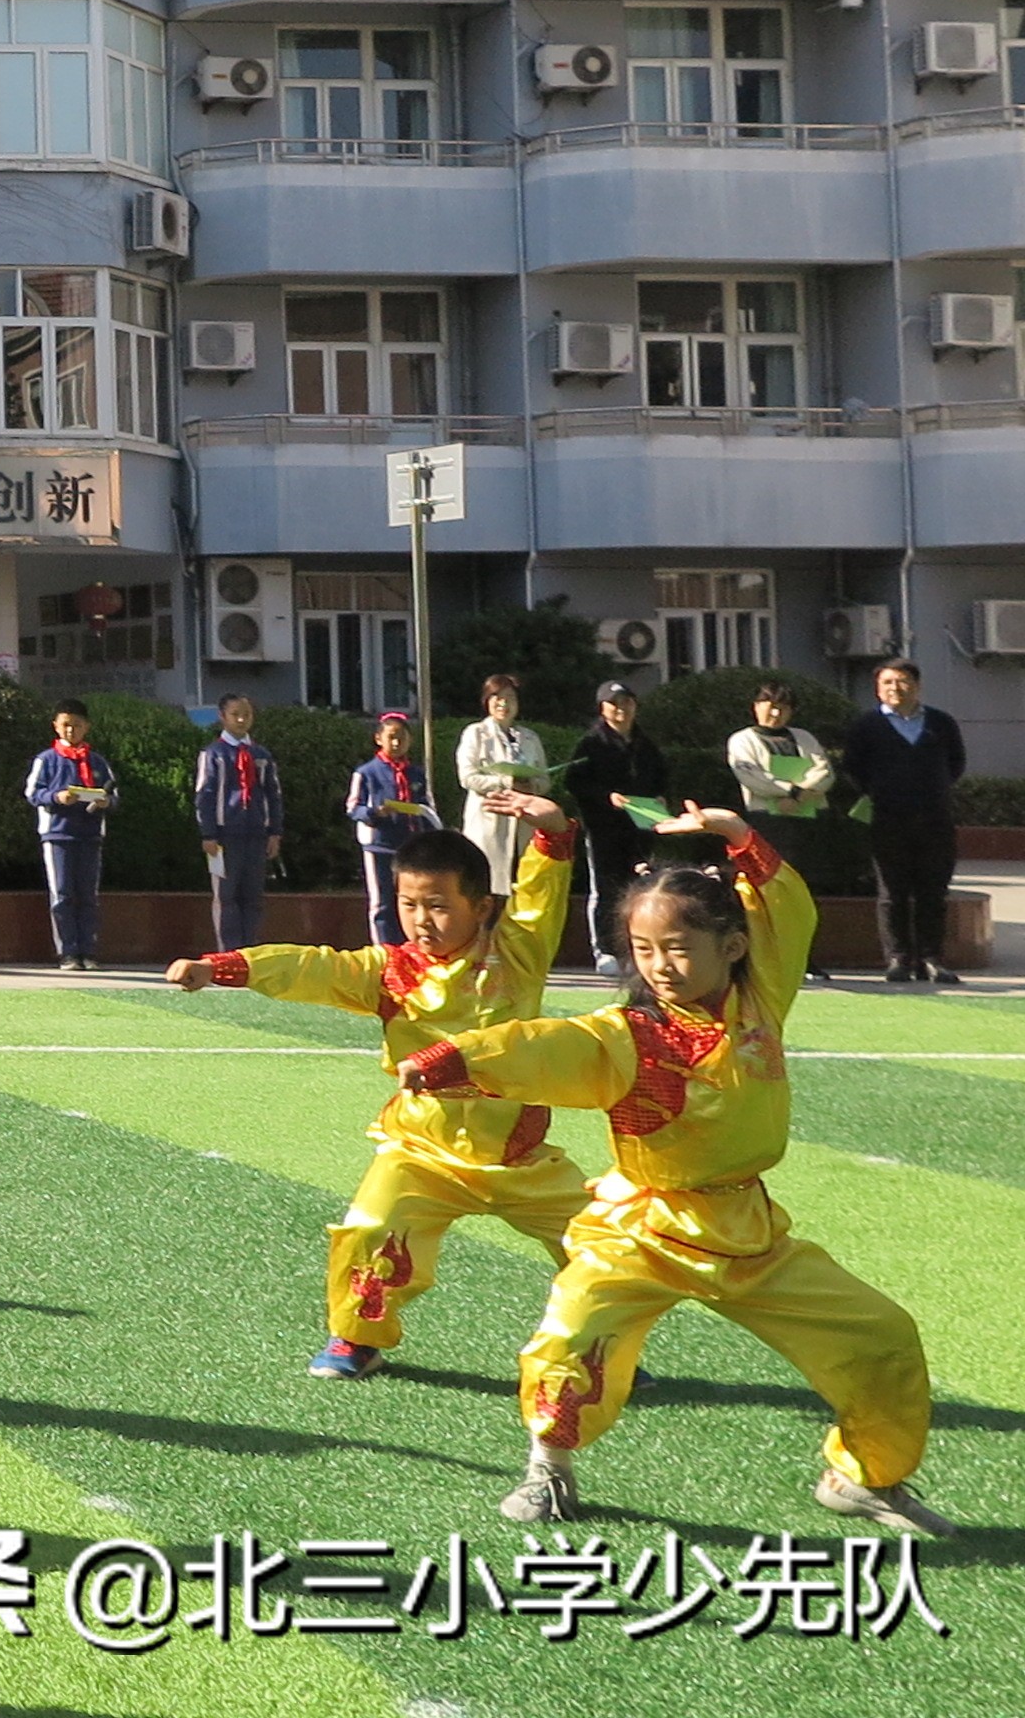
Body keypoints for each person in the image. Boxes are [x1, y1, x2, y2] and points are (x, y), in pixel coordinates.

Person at [402, 804, 951, 1540]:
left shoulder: (761, 1002)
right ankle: (550, 1469)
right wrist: (453, 1061)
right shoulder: (627, 1036)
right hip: (642, 1229)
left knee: (882, 1336)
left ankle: (864, 1476)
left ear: (732, 946)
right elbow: (545, 1045)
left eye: (678, 948)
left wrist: (737, 839)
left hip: (746, 1231)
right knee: (571, 1333)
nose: (660, 966)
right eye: (644, 949)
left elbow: (786, 910)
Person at [168, 806, 584, 1380]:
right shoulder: (389, 971)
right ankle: (357, 1339)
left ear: (482, 907)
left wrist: (555, 831)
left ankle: (600, 1344)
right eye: (409, 905)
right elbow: (311, 967)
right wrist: (223, 967)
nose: (421, 920)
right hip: (421, 1153)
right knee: (368, 1227)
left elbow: (542, 895)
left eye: (438, 906)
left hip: (520, 1158)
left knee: (599, 1242)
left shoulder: (518, 954)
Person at [836, 660, 968, 985]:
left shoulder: (940, 723)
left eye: (903, 681)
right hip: (887, 819)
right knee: (892, 892)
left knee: (933, 892)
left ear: (917, 685)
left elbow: (956, 763)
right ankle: (898, 958)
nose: (895, 688)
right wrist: (882, 791)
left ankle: (932, 959)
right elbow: (853, 766)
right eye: (888, 683)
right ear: (878, 689)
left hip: (935, 819)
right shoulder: (866, 725)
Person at [563, 681, 668, 964]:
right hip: (603, 830)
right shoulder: (591, 743)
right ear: (602, 708)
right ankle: (606, 950)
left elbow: (660, 779)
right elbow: (574, 782)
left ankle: (635, 948)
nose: (621, 709)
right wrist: (607, 797)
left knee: (640, 887)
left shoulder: (646, 744)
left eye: (627, 702)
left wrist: (660, 799)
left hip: (641, 829)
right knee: (606, 889)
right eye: (614, 703)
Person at [24, 701, 115, 971]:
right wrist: (56, 796)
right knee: (62, 893)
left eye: (76, 725)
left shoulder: (97, 761)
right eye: (65, 724)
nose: (71, 730)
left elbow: (114, 795)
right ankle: (67, 951)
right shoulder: (46, 760)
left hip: (90, 835)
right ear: (56, 726)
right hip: (58, 834)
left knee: (88, 894)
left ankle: (88, 950)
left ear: (86, 727)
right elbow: (32, 793)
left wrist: (105, 801)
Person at [190, 695, 284, 951]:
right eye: (235, 714)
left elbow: (273, 794)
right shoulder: (213, 754)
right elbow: (204, 795)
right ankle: (228, 952)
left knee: (252, 896)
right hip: (224, 835)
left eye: (247, 714)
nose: (242, 719)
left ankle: (248, 950)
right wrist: (208, 833)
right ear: (222, 717)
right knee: (226, 895)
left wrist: (274, 831)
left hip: (255, 834)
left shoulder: (260, 754)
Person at [346, 713, 437, 949]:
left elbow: (426, 808)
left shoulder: (416, 774)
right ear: (379, 738)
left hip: (410, 847)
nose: (396, 744)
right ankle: (385, 953)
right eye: (391, 737)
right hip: (380, 845)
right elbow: (353, 807)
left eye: (402, 738)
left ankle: (410, 949)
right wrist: (375, 813)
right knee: (383, 902)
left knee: (410, 900)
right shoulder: (366, 773)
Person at [453, 674, 548, 895]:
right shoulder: (475, 733)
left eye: (509, 698)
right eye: (497, 697)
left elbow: (544, 780)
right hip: (489, 824)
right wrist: (506, 781)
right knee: (487, 890)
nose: (503, 704)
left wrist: (531, 786)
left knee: (523, 890)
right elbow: (467, 777)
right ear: (487, 701)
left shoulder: (530, 738)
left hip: (524, 824)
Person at [726, 680, 834, 825]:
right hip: (766, 818)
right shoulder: (742, 740)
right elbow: (752, 777)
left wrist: (800, 794)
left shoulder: (804, 737)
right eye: (771, 707)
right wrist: (791, 792)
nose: (776, 714)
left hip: (813, 816)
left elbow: (824, 771)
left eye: (784, 708)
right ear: (756, 707)